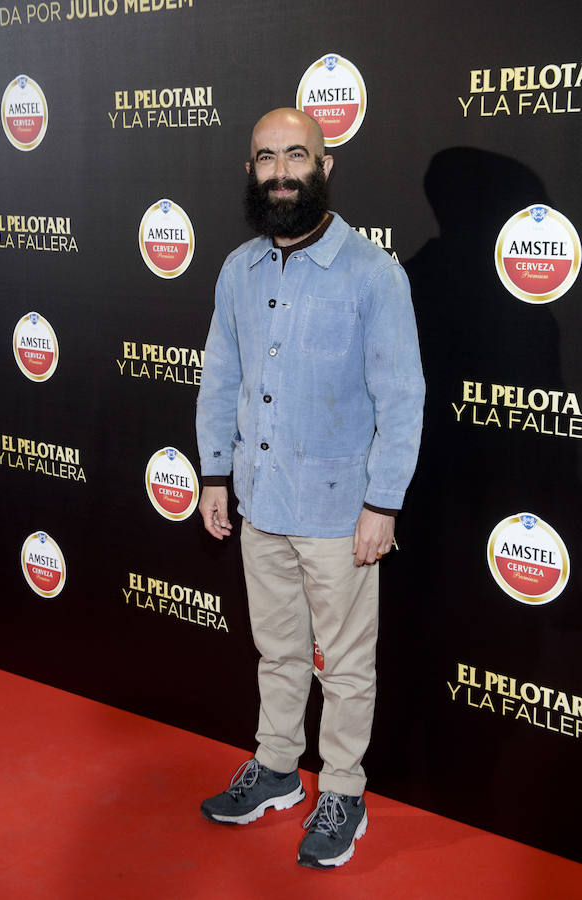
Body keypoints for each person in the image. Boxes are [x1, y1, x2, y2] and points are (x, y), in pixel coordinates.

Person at [195, 108, 424, 869]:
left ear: (326, 168)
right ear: (252, 172)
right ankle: (276, 770)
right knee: (279, 652)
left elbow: (401, 399)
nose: (283, 171)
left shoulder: (372, 274)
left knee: (347, 665)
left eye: (299, 155)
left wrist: (382, 503)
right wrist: (215, 473)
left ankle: (345, 791)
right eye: (268, 158)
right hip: (260, 504)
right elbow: (220, 379)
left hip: (339, 516)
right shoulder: (238, 270)